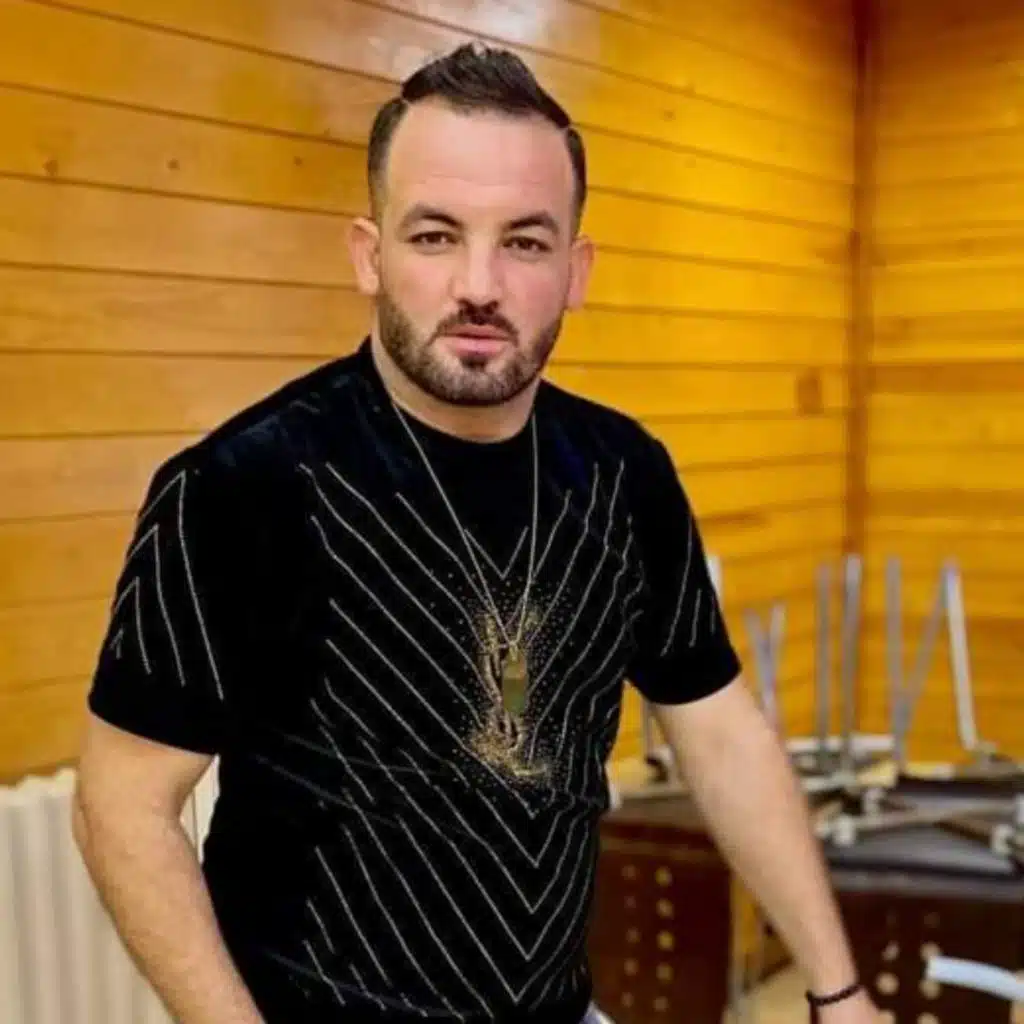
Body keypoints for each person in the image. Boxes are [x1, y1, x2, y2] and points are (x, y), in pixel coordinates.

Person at [71, 42, 880, 1024]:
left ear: (576, 270)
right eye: (435, 235)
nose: (479, 284)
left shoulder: (624, 475)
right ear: (369, 255)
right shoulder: (239, 488)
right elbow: (124, 807)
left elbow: (718, 733)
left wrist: (838, 991)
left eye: (525, 243)